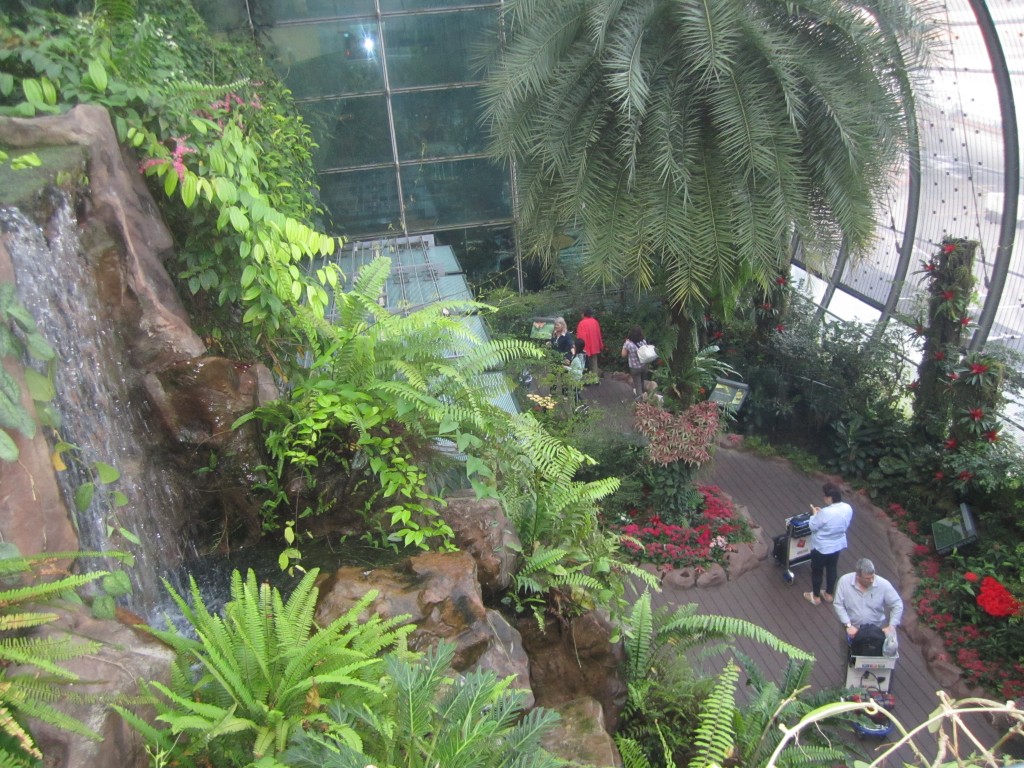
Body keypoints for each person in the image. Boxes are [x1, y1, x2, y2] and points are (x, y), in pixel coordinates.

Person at [803, 481, 853, 605]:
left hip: (821, 546)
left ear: (830, 498)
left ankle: (815, 597)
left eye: (825, 496)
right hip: (837, 544)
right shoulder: (847, 508)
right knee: (832, 568)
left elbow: (813, 526)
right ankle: (829, 594)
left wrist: (815, 514)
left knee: (817, 571)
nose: (823, 498)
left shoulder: (826, 512)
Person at [833, 558, 904, 639]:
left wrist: (892, 626)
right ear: (858, 576)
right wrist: (848, 625)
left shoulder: (883, 584)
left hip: (876, 630)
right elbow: (838, 604)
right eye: (867, 578)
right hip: (851, 629)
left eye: (873, 577)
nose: (871, 580)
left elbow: (897, 604)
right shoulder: (844, 581)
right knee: (845, 651)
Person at [621, 326, 649, 400]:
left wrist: (625, 345)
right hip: (644, 366)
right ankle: (644, 396)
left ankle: (640, 401)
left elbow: (623, 355)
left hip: (635, 368)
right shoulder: (643, 341)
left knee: (638, 384)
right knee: (642, 381)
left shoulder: (628, 344)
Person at [574, 309, 604, 379]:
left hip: (585, 347)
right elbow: (598, 334)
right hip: (594, 345)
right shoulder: (595, 322)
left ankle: (586, 379)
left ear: (584, 314)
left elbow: (581, 337)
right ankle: (595, 379)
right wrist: (600, 344)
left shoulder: (582, 323)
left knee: (584, 364)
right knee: (594, 362)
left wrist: (579, 347)